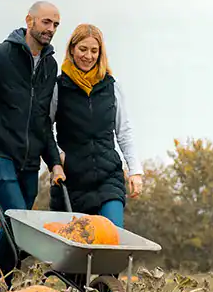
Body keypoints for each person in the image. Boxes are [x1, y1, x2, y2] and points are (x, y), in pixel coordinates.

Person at [0, 1, 66, 285]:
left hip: (29, 160)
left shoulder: (50, 64)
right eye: (46, 22)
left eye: (55, 24)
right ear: (29, 21)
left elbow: (43, 121)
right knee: (18, 222)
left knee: (16, 227)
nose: (51, 29)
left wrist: (54, 162)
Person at [48, 23, 143, 230]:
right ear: (72, 49)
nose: (88, 56)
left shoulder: (111, 87)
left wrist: (135, 171)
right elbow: (43, 128)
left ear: (100, 53)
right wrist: (57, 157)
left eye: (94, 51)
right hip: (71, 179)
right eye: (83, 49)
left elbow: (124, 132)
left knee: (110, 236)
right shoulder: (58, 87)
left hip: (108, 177)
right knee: (74, 246)